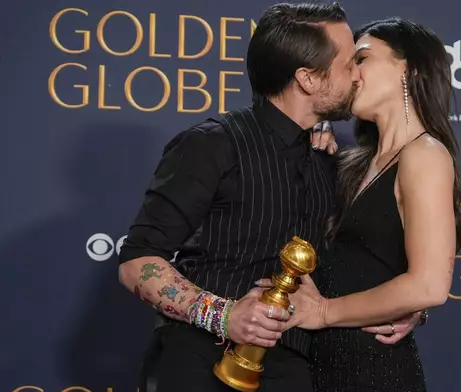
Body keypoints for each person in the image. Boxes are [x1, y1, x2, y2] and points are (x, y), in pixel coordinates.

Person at [116, 3, 355, 392]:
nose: (358, 76)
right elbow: (137, 261)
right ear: (308, 79)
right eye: (349, 65)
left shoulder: (328, 159)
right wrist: (224, 315)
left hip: (297, 370)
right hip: (200, 364)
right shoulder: (212, 144)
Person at [260, 18, 461, 391]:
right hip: (316, 365)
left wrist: (324, 311)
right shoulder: (349, 161)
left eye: (363, 58)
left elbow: (430, 285)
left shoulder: (425, 154)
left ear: (408, 68)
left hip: (373, 370)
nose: (351, 73)